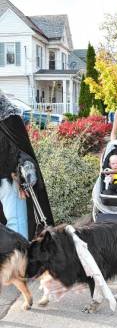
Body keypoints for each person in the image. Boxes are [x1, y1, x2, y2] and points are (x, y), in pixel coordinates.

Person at [0, 91, 54, 239]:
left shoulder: (8, 117)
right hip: (8, 179)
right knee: (15, 226)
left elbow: (19, 148)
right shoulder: (9, 116)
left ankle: (18, 258)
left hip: (9, 179)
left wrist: (22, 176)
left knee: (16, 226)